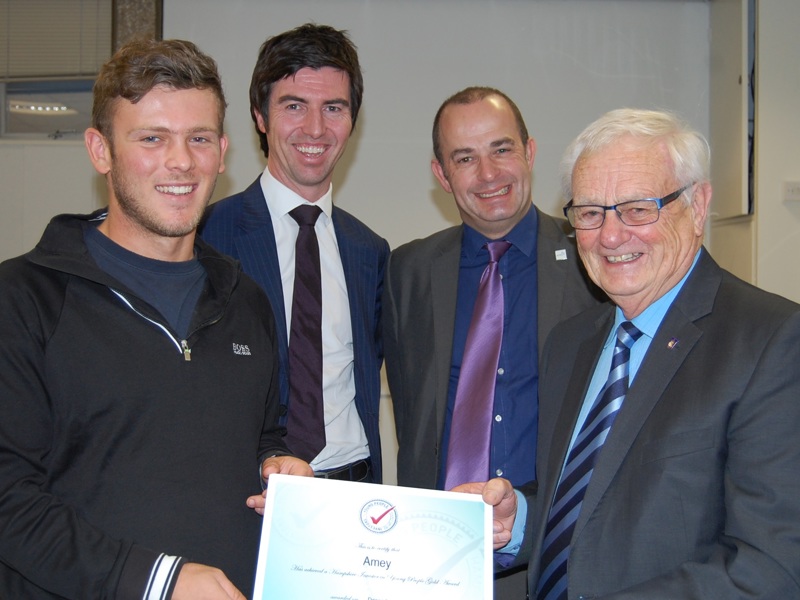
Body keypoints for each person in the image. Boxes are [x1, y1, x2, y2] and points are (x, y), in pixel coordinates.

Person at [0, 38, 312, 600]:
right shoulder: (22, 298)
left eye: (198, 139)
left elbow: (261, 435)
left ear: (222, 149)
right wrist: (157, 581)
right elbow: (7, 499)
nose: (181, 161)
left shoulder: (246, 301)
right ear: (101, 150)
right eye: (152, 138)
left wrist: (278, 465)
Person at [472, 108, 800, 599]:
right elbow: (593, 505)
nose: (609, 235)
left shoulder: (772, 341)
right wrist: (521, 519)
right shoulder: (569, 344)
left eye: (638, 208)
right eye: (589, 212)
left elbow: (769, 569)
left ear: (698, 205)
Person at [381, 86, 603, 597]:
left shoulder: (595, 264)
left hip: (552, 558)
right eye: (465, 157)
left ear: (529, 151)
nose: (488, 174)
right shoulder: (407, 271)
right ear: (441, 175)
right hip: (430, 562)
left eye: (501, 149)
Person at [201, 23, 389, 484]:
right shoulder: (206, 236)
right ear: (260, 117)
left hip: (354, 491)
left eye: (333, 108)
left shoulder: (370, 251)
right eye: (294, 106)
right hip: (249, 492)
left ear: (352, 121)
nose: (315, 128)